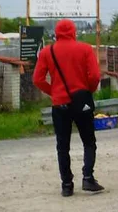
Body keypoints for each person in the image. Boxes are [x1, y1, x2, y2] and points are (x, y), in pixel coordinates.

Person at [33, 19, 104, 197]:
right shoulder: (85, 49)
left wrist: (54, 92)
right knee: (89, 141)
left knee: (62, 145)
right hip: (82, 102)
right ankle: (88, 177)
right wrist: (88, 90)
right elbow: (95, 75)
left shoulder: (47, 51)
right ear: (74, 32)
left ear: (56, 33)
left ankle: (66, 184)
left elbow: (38, 79)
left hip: (60, 104)